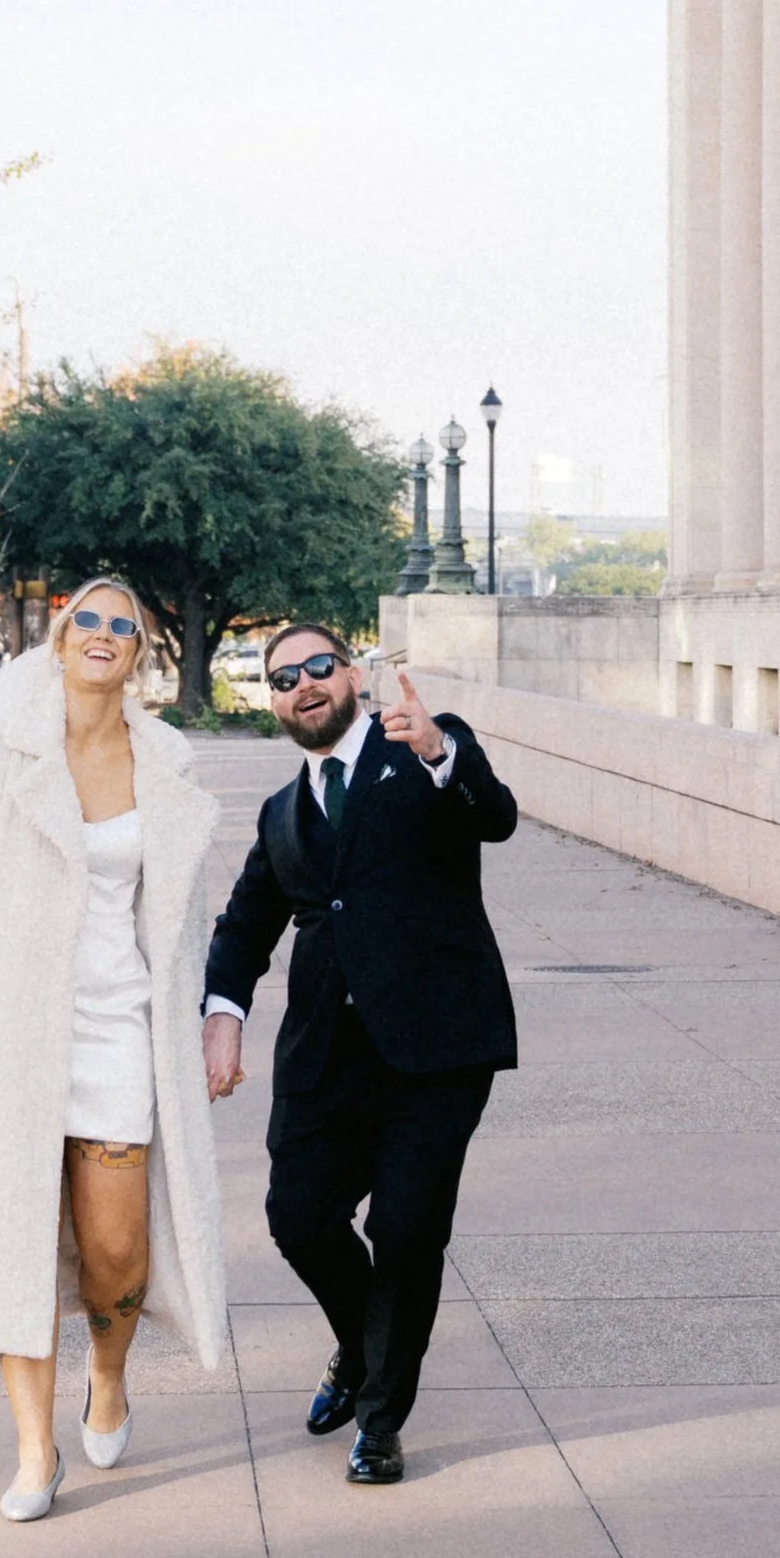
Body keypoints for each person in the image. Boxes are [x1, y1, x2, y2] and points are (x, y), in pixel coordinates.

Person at [0, 580, 227, 1520]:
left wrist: (201, 1025)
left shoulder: (166, 765)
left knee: (117, 1249)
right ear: (60, 643)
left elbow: (185, 923)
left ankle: (108, 1375)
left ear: (141, 653)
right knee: (11, 1240)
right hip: (7, 1032)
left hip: (121, 1031)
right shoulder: (4, 757)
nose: (105, 636)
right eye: (89, 623)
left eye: (125, 626)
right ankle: (34, 1450)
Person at [203, 630, 517, 1485]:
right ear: (271, 701)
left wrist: (444, 754)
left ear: (350, 675)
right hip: (326, 1055)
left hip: (438, 1046)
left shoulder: (421, 743)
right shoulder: (281, 813)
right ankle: (358, 1344)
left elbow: (497, 818)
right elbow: (243, 925)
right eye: (280, 680)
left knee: (407, 1232)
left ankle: (380, 1422)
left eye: (315, 667)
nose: (300, 686)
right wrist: (222, 1014)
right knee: (298, 1216)